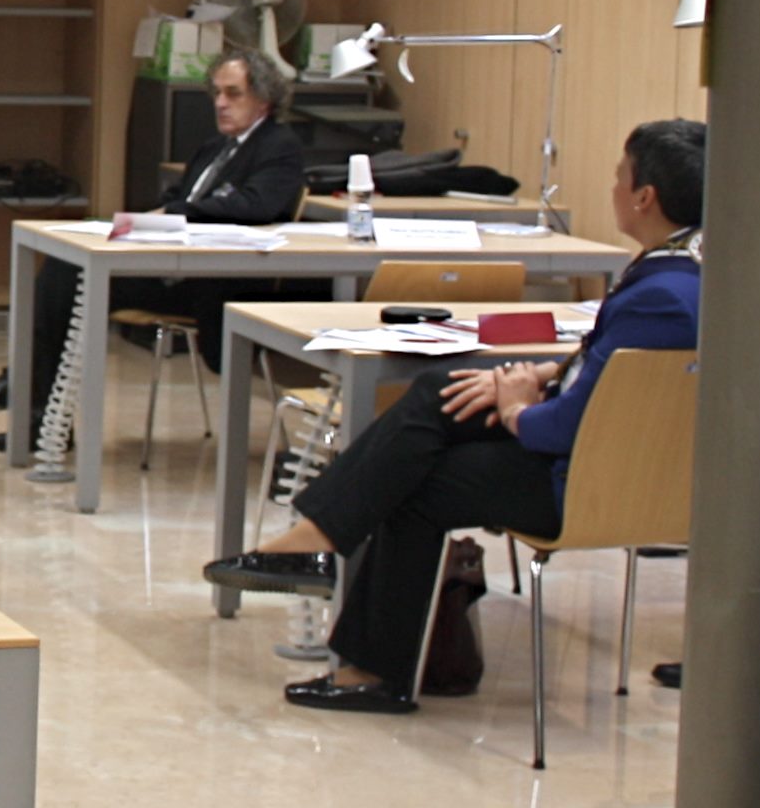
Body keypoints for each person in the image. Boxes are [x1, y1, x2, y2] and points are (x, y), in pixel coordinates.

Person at [270, 120, 706, 716]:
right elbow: (616, 378)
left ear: (644, 197)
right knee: (437, 397)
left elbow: (566, 426)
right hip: (641, 474)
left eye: (618, 177)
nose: (612, 187)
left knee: (413, 475)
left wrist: (516, 406)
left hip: (587, 484)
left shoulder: (656, 297)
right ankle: (323, 552)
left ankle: (366, 654)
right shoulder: (697, 279)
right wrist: (545, 374)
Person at [0, 51, 308, 455]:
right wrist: (150, 219)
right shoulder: (214, 148)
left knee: (68, 279)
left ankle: (35, 409)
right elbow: (177, 197)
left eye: (233, 93)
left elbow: (256, 205)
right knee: (64, 269)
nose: (220, 103)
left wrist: (177, 213)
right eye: (217, 93)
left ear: (264, 99)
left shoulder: (279, 146)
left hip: (213, 282)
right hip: (172, 267)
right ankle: (39, 414)